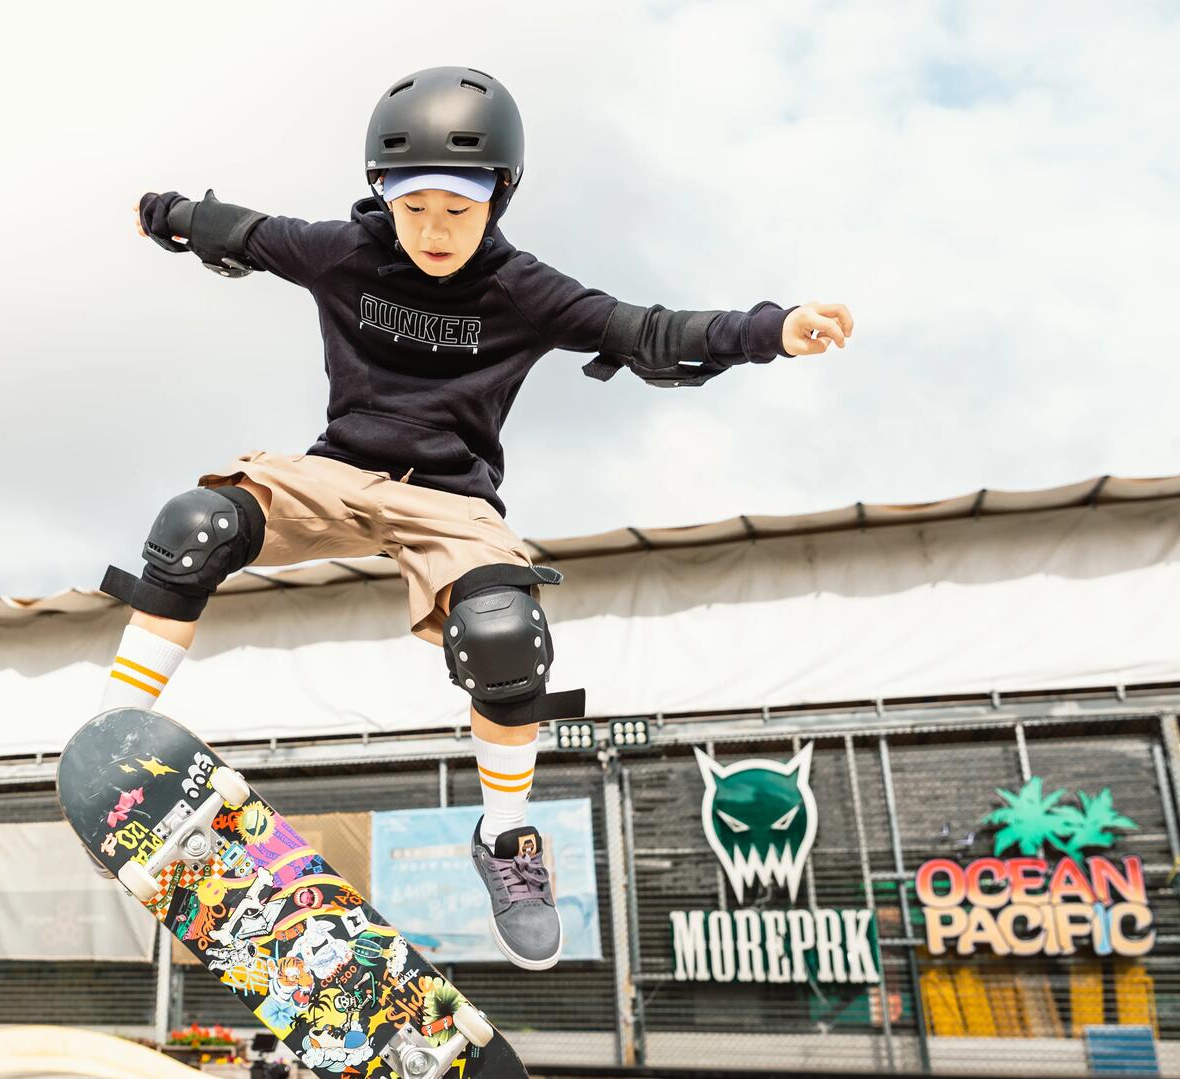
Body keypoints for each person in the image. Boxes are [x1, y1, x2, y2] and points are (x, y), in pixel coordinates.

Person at [98, 65, 853, 972]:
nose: (435, 232)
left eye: (458, 211)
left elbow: (647, 330)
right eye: (414, 209)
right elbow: (242, 232)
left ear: (499, 197)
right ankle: (113, 737)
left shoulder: (523, 288)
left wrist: (775, 329)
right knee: (195, 524)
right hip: (337, 473)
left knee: (503, 632)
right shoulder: (342, 251)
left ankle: (506, 840)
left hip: (454, 503)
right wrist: (162, 211)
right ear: (383, 196)